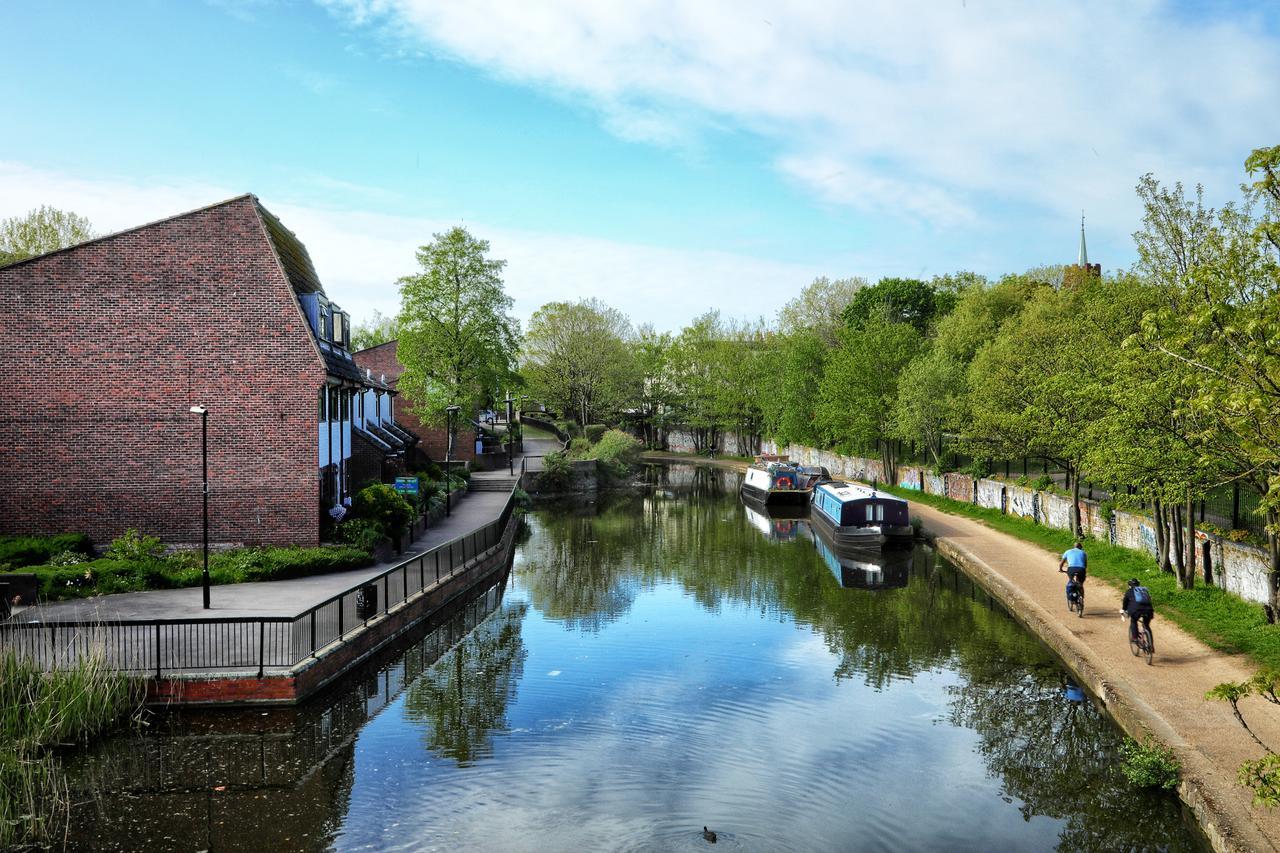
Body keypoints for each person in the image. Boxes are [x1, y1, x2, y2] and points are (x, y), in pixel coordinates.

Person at [1121, 578, 1155, 643]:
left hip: (1136, 610)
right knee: (1146, 625)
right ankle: (1151, 645)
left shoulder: (1129, 591)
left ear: (1129, 585)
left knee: (1133, 621)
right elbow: (1149, 599)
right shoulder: (1144, 590)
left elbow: (1125, 602)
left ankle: (1135, 638)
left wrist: (1124, 609)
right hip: (1148, 610)